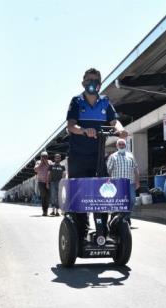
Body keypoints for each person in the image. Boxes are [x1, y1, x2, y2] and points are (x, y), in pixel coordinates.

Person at [66, 68, 128, 239]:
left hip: (98, 157)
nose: (92, 83)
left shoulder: (105, 102)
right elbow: (71, 126)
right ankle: (80, 233)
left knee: (103, 193)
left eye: (95, 80)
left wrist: (121, 130)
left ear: (100, 84)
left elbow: (114, 121)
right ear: (83, 83)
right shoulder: (77, 102)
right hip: (78, 157)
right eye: (89, 80)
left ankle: (103, 231)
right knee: (80, 196)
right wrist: (84, 130)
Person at [107, 138, 140, 223]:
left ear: (125, 145)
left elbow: (135, 169)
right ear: (117, 146)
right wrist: (108, 182)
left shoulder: (130, 156)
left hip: (130, 183)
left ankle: (126, 216)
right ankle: (117, 218)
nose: (121, 146)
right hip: (117, 184)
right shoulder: (113, 156)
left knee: (132, 200)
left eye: (123, 144)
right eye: (120, 144)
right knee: (118, 201)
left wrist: (137, 181)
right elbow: (109, 170)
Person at [34, 151, 52, 216]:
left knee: (47, 197)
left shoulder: (49, 162)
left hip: (49, 182)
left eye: (46, 156)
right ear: (41, 157)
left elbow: (51, 168)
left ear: (47, 157)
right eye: (43, 156)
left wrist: (46, 162)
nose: (44, 158)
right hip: (41, 182)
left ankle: (46, 210)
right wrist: (41, 163)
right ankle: (44, 210)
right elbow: (36, 170)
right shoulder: (38, 162)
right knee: (43, 196)